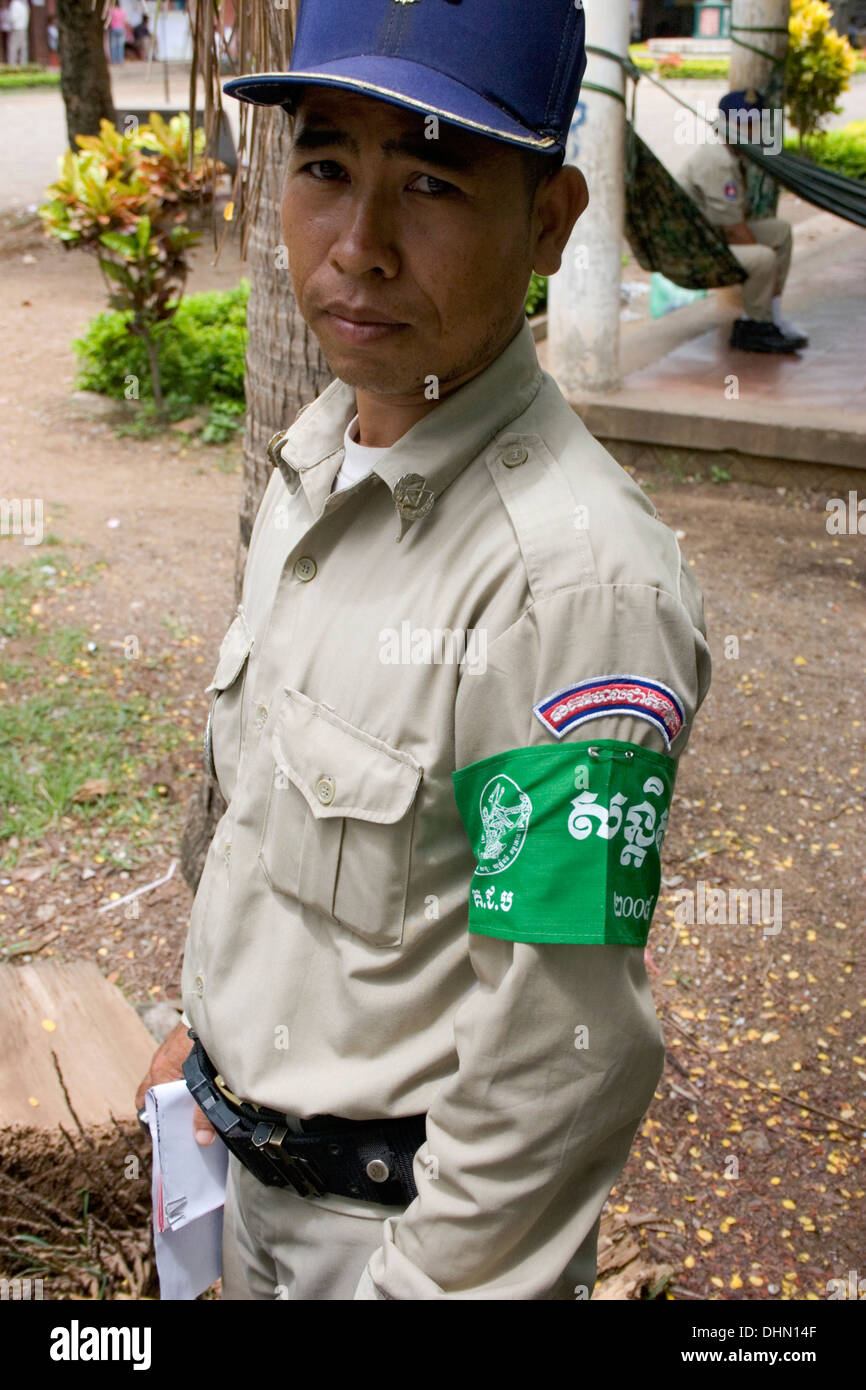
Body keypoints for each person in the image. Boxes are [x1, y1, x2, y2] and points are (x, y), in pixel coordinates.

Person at [137, 0, 712, 1301]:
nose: (359, 246)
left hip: (399, 1250)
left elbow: (559, 1046)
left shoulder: (571, 587)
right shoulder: (323, 452)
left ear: (551, 219)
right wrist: (206, 1043)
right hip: (245, 1184)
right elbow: (268, 831)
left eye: (433, 181)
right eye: (327, 166)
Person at [679, 88, 807, 353]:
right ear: (724, 124)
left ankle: (771, 316)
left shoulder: (735, 155)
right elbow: (735, 231)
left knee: (780, 232)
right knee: (763, 258)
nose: (750, 130)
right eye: (743, 123)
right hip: (695, 249)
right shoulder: (717, 161)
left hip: (713, 234)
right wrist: (761, 262)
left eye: (753, 123)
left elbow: (735, 220)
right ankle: (756, 327)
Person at [7, 0, 29, 67]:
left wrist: (12, 24)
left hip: (17, 27)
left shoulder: (15, 3)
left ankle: (13, 63)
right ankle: (22, 63)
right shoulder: (22, 4)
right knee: (21, 46)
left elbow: (12, 17)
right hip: (21, 27)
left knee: (15, 46)